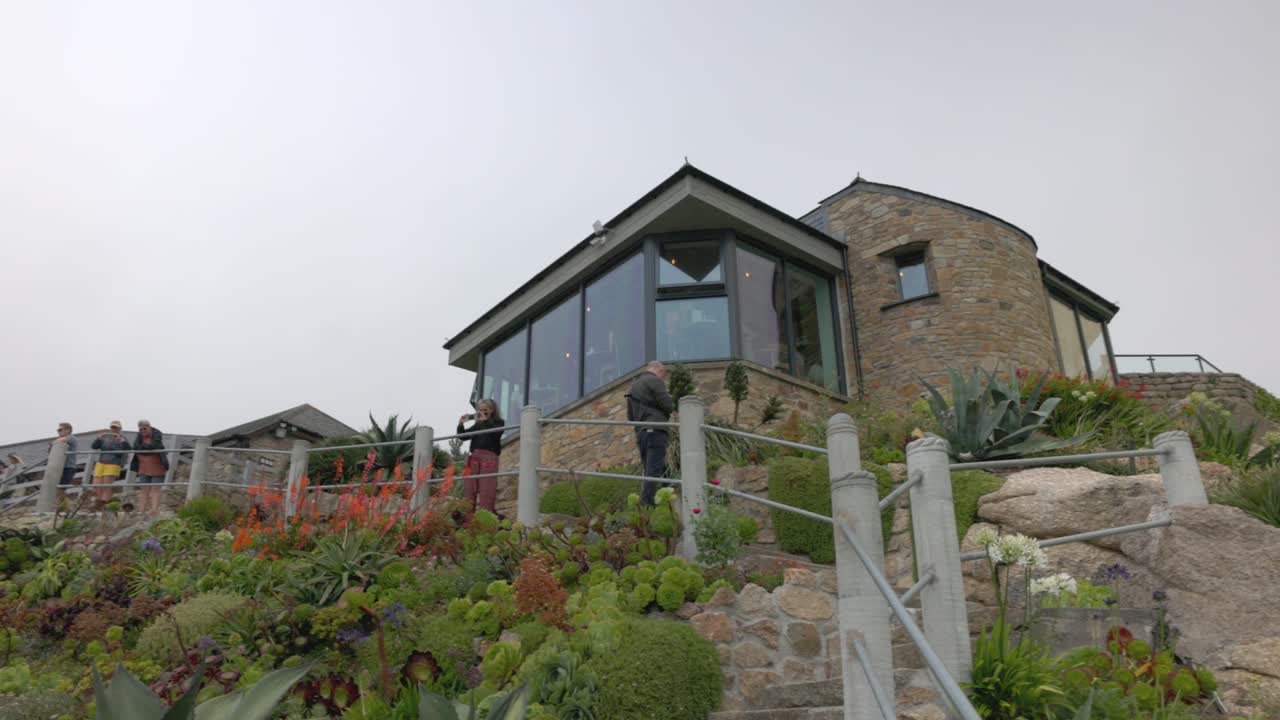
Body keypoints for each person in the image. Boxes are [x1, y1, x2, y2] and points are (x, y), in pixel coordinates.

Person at [626, 360, 674, 507]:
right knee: (653, 470)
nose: (663, 378)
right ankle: (647, 505)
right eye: (663, 375)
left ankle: (669, 491)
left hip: (642, 433)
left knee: (654, 466)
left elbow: (630, 416)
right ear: (658, 370)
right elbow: (668, 404)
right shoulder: (654, 380)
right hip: (655, 429)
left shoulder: (633, 387)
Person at [457, 399, 504, 514]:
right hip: (474, 457)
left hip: (489, 457)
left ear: (492, 410)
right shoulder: (478, 424)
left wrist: (486, 420)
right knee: (470, 488)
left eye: (485, 410)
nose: (482, 412)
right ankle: (467, 519)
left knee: (487, 488)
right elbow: (463, 436)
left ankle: (485, 518)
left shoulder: (499, 422)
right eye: (480, 410)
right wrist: (461, 424)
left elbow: (497, 434)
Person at [129, 419, 169, 516]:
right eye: (141, 429)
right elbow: (134, 447)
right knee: (144, 490)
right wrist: (146, 448)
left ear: (149, 427)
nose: (143, 431)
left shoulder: (157, 435)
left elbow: (153, 446)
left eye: (144, 428)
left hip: (157, 467)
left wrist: (142, 448)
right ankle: (141, 511)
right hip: (143, 468)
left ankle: (154, 510)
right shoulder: (138, 436)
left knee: (155, 490)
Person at [90, 421, 131, 506]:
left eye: (116, 427)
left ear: (120, 429)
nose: (114, 429)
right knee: (96, 484)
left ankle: (105, 504)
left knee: (106, 485)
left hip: (113, 463)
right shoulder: (105, 437)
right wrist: (98, 439)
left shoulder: (123, 437)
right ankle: (99, 501)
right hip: (101, 462)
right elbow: (94, 446)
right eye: (112, 427)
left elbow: (128, 449)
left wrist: (122, 441)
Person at [51, 422, 79, 501]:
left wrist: (53, 443)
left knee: (61, 489)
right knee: (58, 489)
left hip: (68, 467)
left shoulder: (72, 437)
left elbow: (56, 442)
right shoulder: (63, 438)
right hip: (60, 467)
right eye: (58, 430)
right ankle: (63, 506)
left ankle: (61, 507)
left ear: (68, 430)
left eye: (60, 429)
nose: (58, 431)